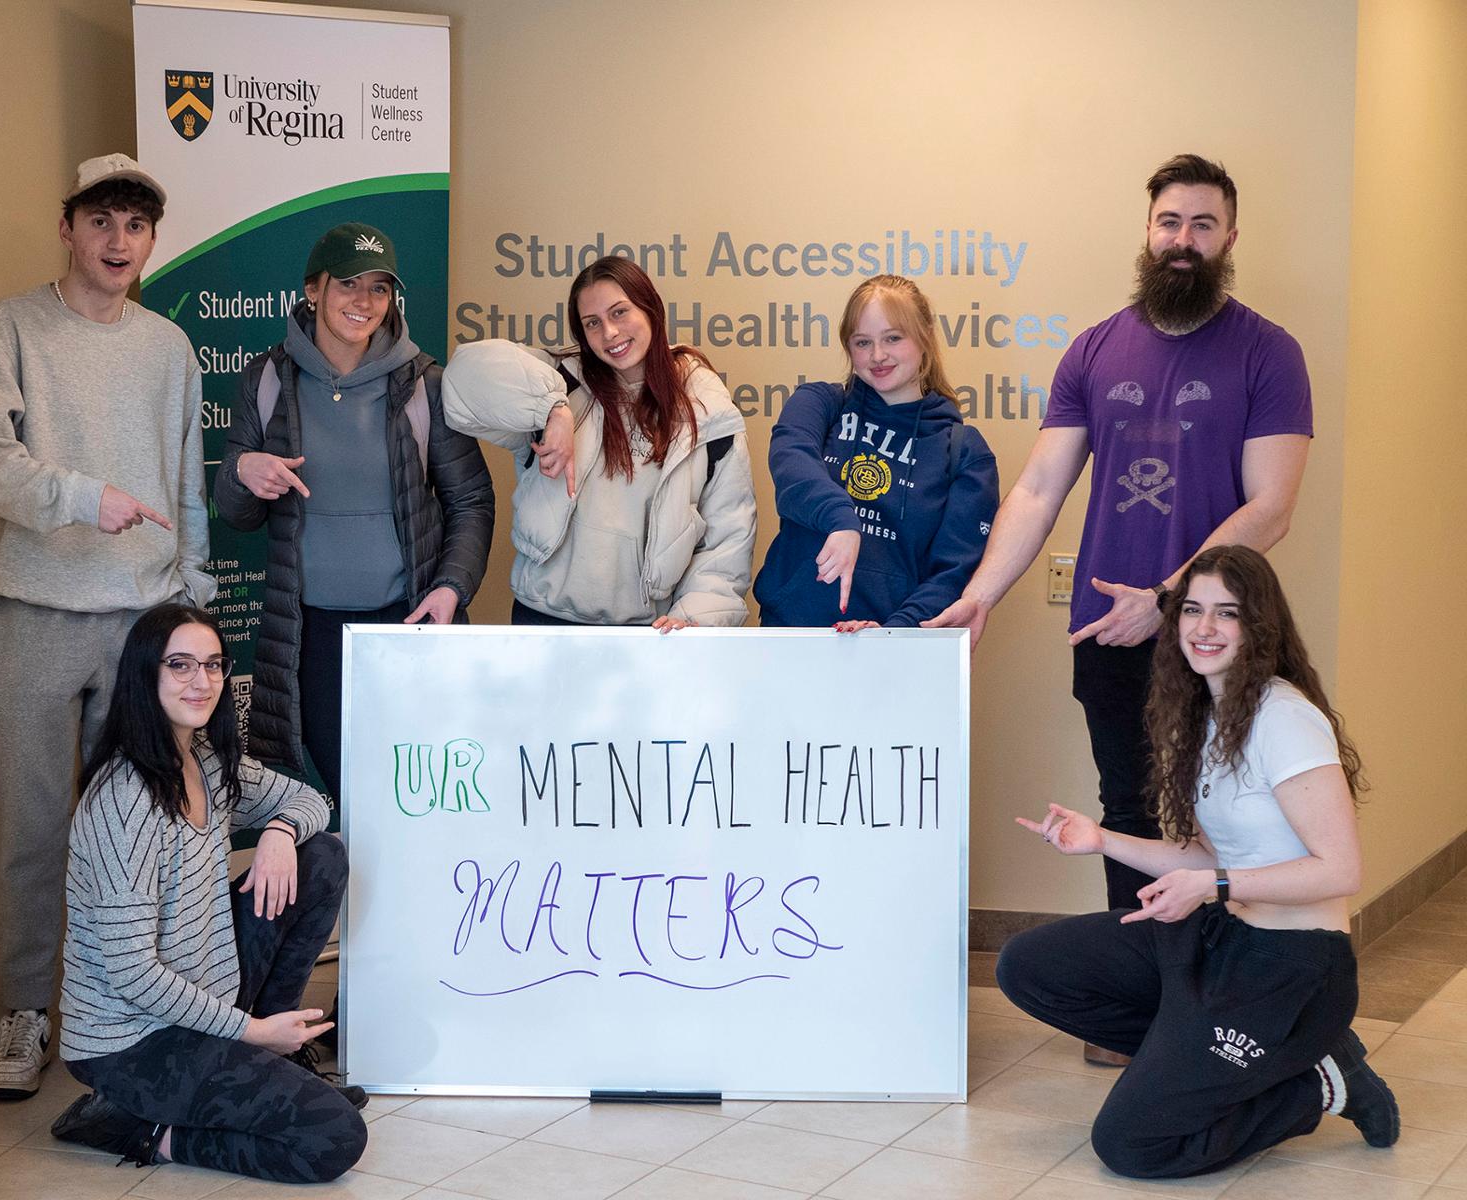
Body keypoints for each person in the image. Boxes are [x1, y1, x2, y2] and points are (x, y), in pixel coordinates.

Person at [929, 155, 1313, 1063]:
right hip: (1109, 630)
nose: (1185, 241)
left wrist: (1171, 601)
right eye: (1170, 222)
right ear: (1148, 231)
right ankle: (1136, 1009)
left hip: (1224, 631)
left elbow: (1271, 506)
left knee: (1231, 812)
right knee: (1130, 806)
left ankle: (1231, 1005)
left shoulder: (1270, 351)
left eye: (1204, 224)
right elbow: (1038, 489)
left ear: (1230, 238)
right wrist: (980, 595)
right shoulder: (1094, 349)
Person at [998, 545, 1398, 1178]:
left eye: (1227, 613)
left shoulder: (1284, 719)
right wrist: (1101, 839)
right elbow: (1213, 855)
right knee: (1029, 965)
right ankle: (1199, 1058)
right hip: (1220, 937)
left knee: (1130, 1145)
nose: (1204, 628)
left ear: (1258, 627)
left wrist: (1213, 884)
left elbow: (1341, 869)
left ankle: (1315, 1084)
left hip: (1290, 968)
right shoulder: (1210, 714)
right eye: (1192, 610)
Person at [0, 153, 214, 1099]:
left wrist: (190, 598)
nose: (118, 241)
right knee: (29, 831)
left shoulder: (169, 348)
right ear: (68, 228)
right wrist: (78, 496)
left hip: (142, 625)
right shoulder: (10, 328)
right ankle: (27, 1014)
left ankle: (124, 1014)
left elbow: (187, 486)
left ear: (151, 241)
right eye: (100, 220)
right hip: (29, 616)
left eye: (136, 226)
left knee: (137, 837)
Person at [50, 604, 368, 1183]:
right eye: (181, 665)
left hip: (203, 995)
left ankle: (275, 1044)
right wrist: (250, 1032)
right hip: (131, 1041)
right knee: (335, 1137)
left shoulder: (206, 760)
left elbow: (314, 803)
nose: (202, 682)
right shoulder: (125, 800)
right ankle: (134, 1127)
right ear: (146, 675)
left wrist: (276, 830)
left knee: (322, 857)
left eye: (213, 665)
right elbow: (132, 974)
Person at [214, 221, 494, 790]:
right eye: (347, 284)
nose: (363, 302)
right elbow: (238, 514)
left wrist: (450, 588)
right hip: (311, 635)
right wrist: (243, 472)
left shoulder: (426, 384)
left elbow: (470, 500)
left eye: (379, 288)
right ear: (313, 291)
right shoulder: (267, 380)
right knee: (346, 790)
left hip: (408, 622)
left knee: (421, 790)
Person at [441, 255, 756, 628]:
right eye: (593, 323)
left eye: (620, 312)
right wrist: (553, 409)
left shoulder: (709, 410)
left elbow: (728, 537)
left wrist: (693, 620)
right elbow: (462, 378)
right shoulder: (561, 382)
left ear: (650, 308)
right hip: (544, 621)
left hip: (652, 632)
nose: (609, 332)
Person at [753, 274, 998, 628]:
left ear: (924, 336)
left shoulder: (964, 451)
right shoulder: (820, 403)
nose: (877, 355)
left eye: (893, 338)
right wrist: (841, 520)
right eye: (863, 342)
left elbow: (952, 572)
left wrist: (890, 635)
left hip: (893, 654)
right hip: (790, 637)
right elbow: (792, 466)